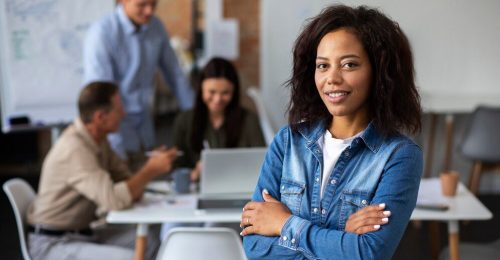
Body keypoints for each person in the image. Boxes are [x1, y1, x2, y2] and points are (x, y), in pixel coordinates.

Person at [240, 5, 423, 259]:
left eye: (349, 65)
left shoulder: (399, 156)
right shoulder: (287, 142)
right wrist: (340, 237)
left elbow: (368, 253)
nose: (332, 78)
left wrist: (283, 223)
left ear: (379, 72)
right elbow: (255, 248)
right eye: (323, 66)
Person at [27, 82, 179, 260]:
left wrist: (146, 171)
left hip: (82, 233)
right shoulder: (75, 149)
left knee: (151, 240)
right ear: (100, 117)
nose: (123, 113)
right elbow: (114, 200)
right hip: (53, 243)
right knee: (130, 257)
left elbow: (127, 183)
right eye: (119, 109)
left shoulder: (99, 139)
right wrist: (150, 170)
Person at [83, 0, 194, 164]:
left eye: (153, 4)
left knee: (146, 183)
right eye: (141, 5)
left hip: (145, 129)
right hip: (114, 133)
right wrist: (116, 147)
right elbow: (101, 96)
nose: (149, 11)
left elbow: (175, 75)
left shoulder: (156, 27)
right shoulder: (102, 33)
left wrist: (195, 116)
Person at [172, 57, 266, 182]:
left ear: (234, 92)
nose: (217, 99)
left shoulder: (249, 120)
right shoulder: (184, 121)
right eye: (212, 92)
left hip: (239, 186)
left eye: (225, 93)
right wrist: (194, 173)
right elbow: (177, 167)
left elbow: (261, 162)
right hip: (196, 188)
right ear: (201, 90)